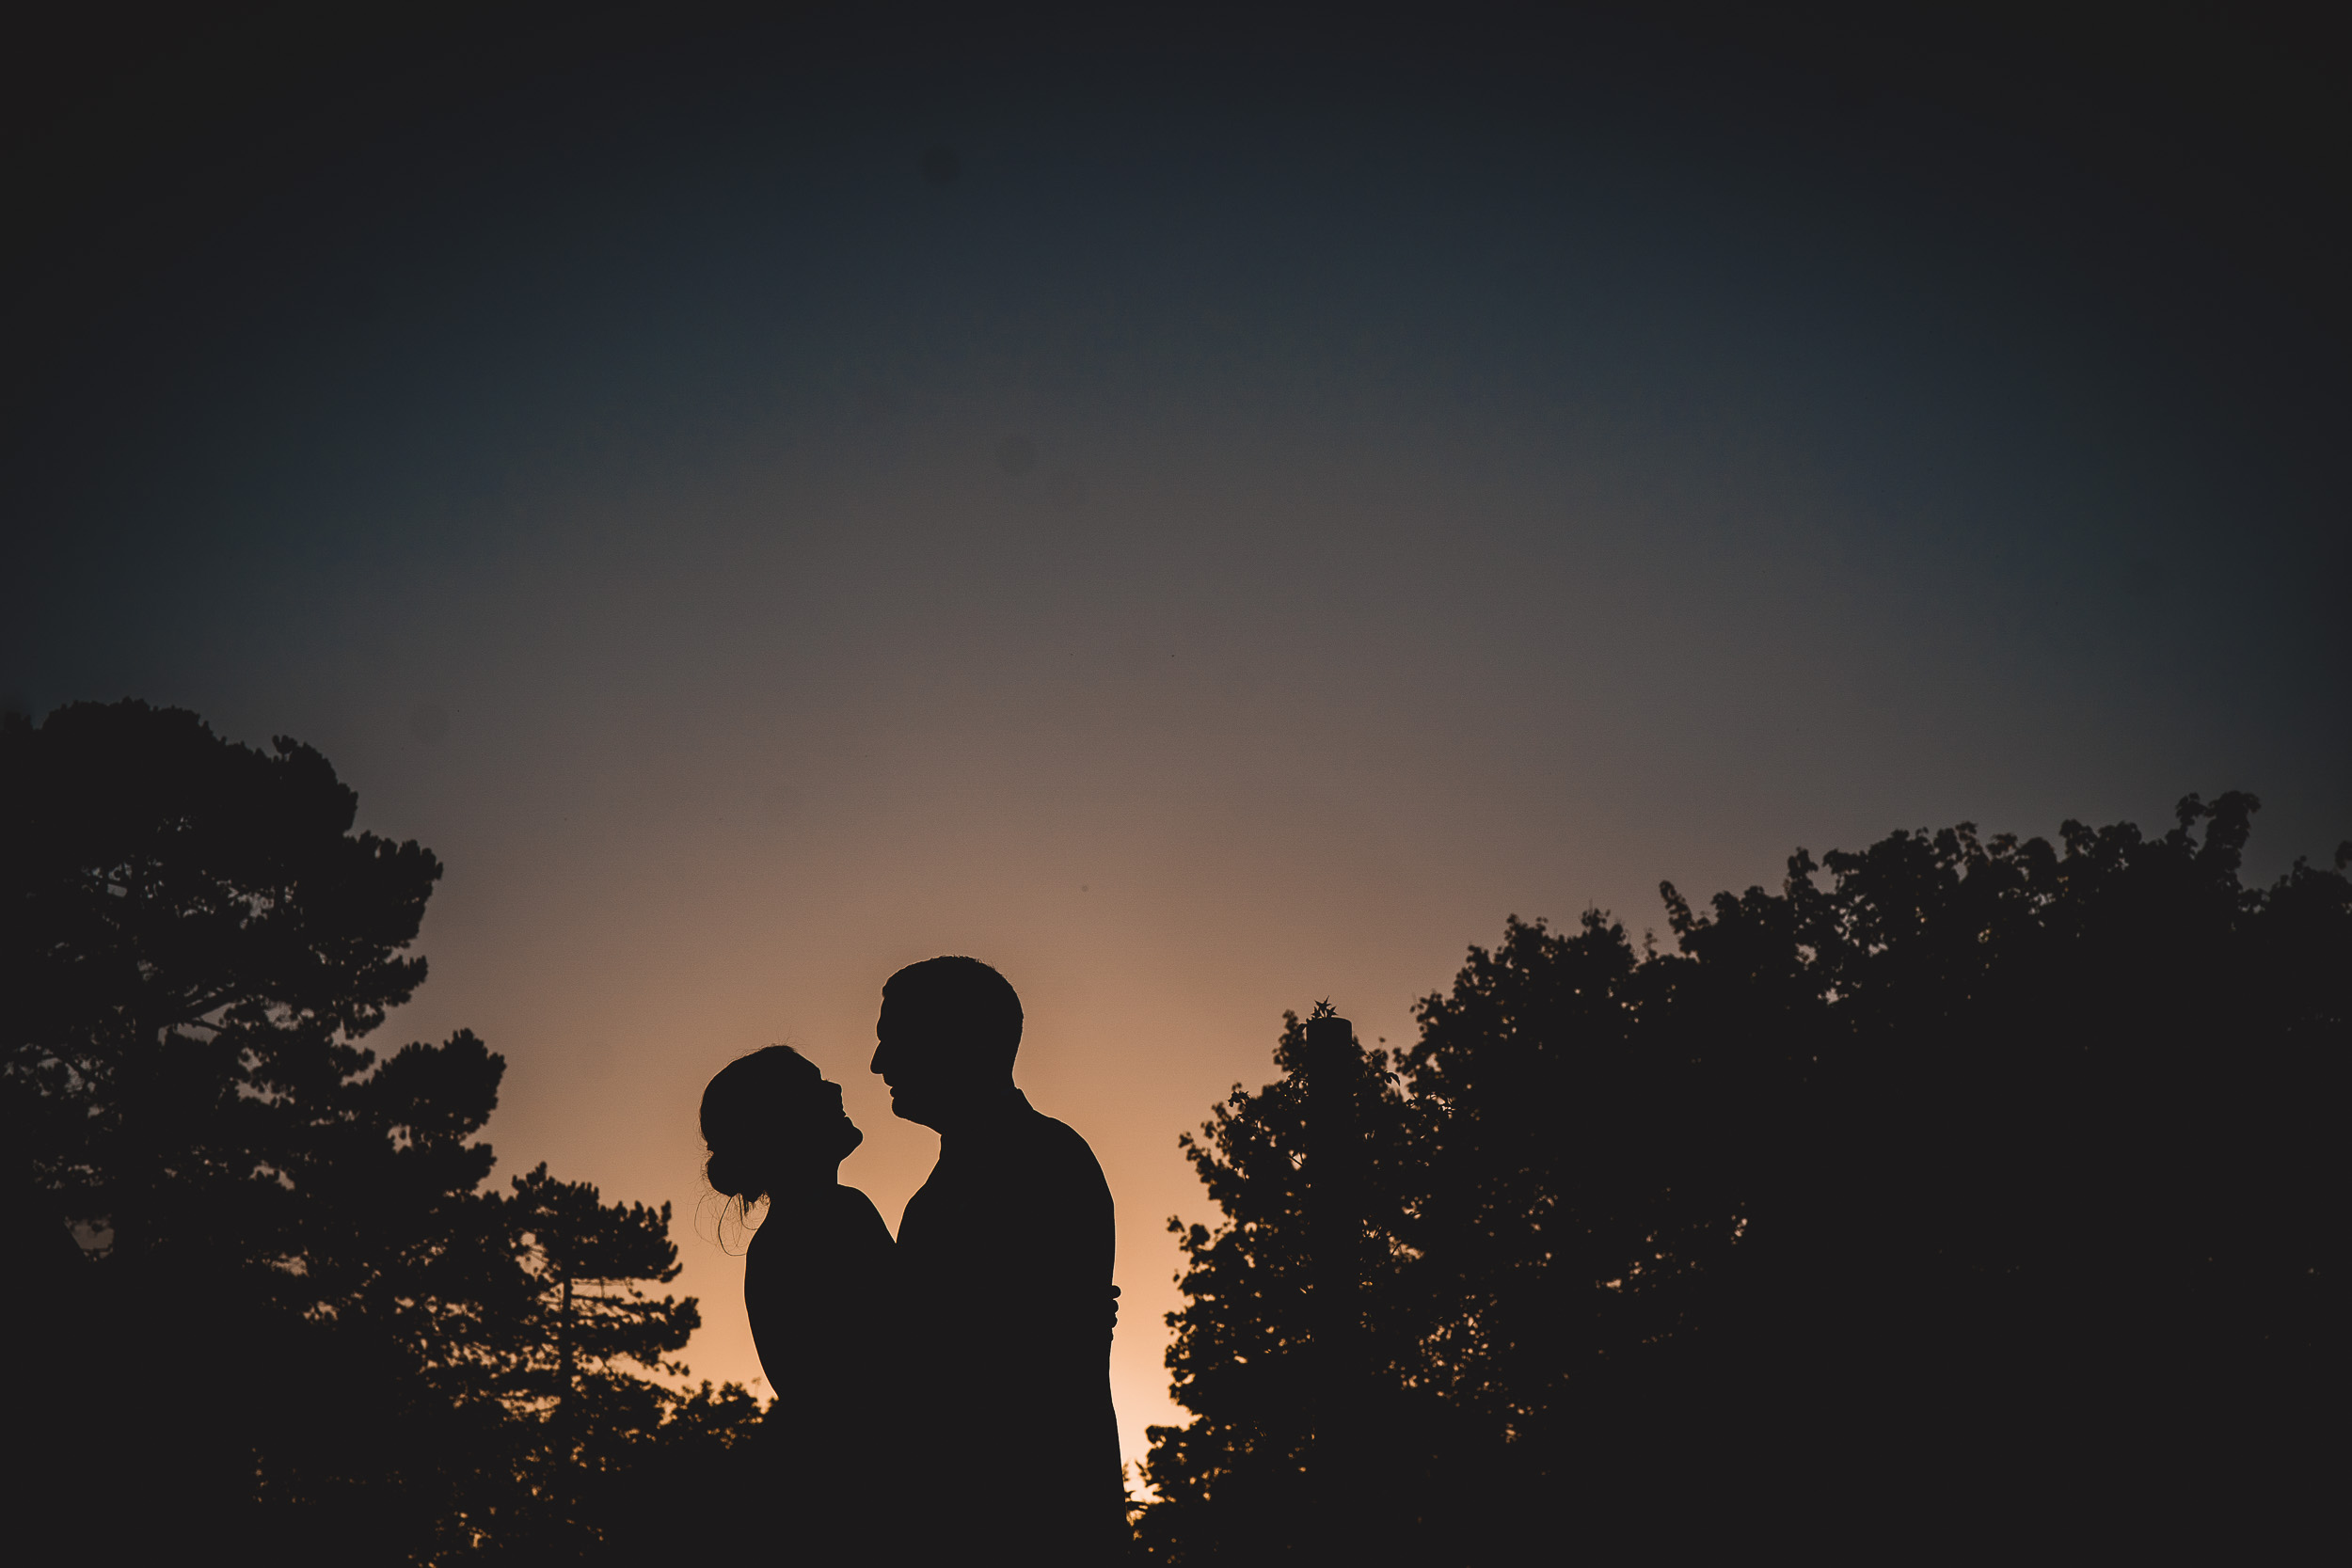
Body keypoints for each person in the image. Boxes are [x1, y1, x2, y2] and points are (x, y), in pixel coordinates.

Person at [873, 957, 1129, 1560]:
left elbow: (1005, 1370)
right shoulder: (945, 1192)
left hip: (1028, 1522)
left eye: (893, 1039)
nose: (879, 1063)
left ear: (957, 1041)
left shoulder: (1041, 1163)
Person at [698, 1046, 901, 1555]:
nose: (834, 1090)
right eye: (814, 1086)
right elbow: (904, 1353)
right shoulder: (836, 1215)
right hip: (874, 1492)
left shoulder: (781, 1237)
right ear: (782, 1125)